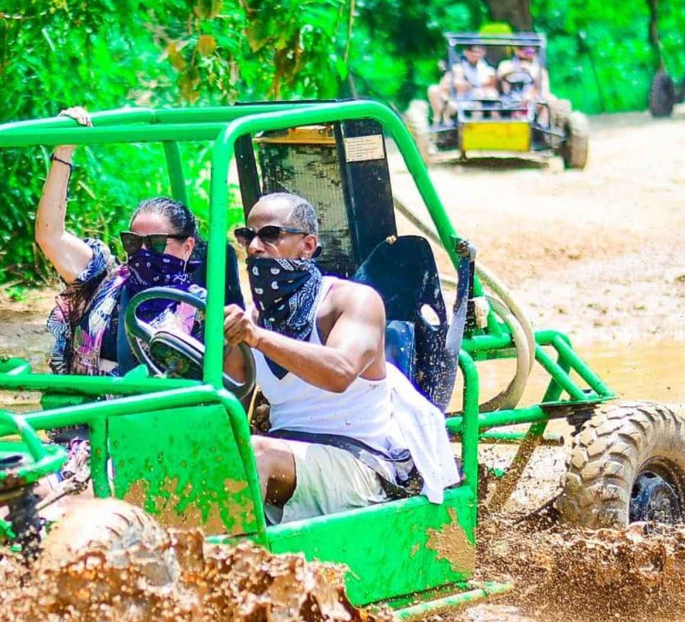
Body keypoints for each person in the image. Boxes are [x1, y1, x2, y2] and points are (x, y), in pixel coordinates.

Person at [221, 192, 458, 524]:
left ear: (307, 246)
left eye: (270, 234)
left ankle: (226, 571)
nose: (255, 247)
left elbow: (340, 372)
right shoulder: (253, 318)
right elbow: (225, 397)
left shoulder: (352, 301)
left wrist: (257, 338)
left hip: (360, 461)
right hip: (289, 456)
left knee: (253, 456)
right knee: (210, 453)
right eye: (247, 236)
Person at [36, 107, 204, 378]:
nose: (145, 252)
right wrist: (64, 152)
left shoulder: (200, 308)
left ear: (187, 247)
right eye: (134, 242)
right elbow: (50, 235)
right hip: (86, 416)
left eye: (158, 243)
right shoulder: (104, 281)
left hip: (156, 417)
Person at [428, 44, 496, 120]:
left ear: (483, 53)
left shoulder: (485, 68)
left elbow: (488, 85)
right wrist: (448, 98)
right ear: (466, 52)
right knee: (435, 92)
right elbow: (447, 86)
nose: (474, 55)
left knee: (478, 106)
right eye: (472, 52)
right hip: (455, 98)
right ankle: (440, 121)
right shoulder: (458, 66)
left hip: (473, 99)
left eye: (478, 52)